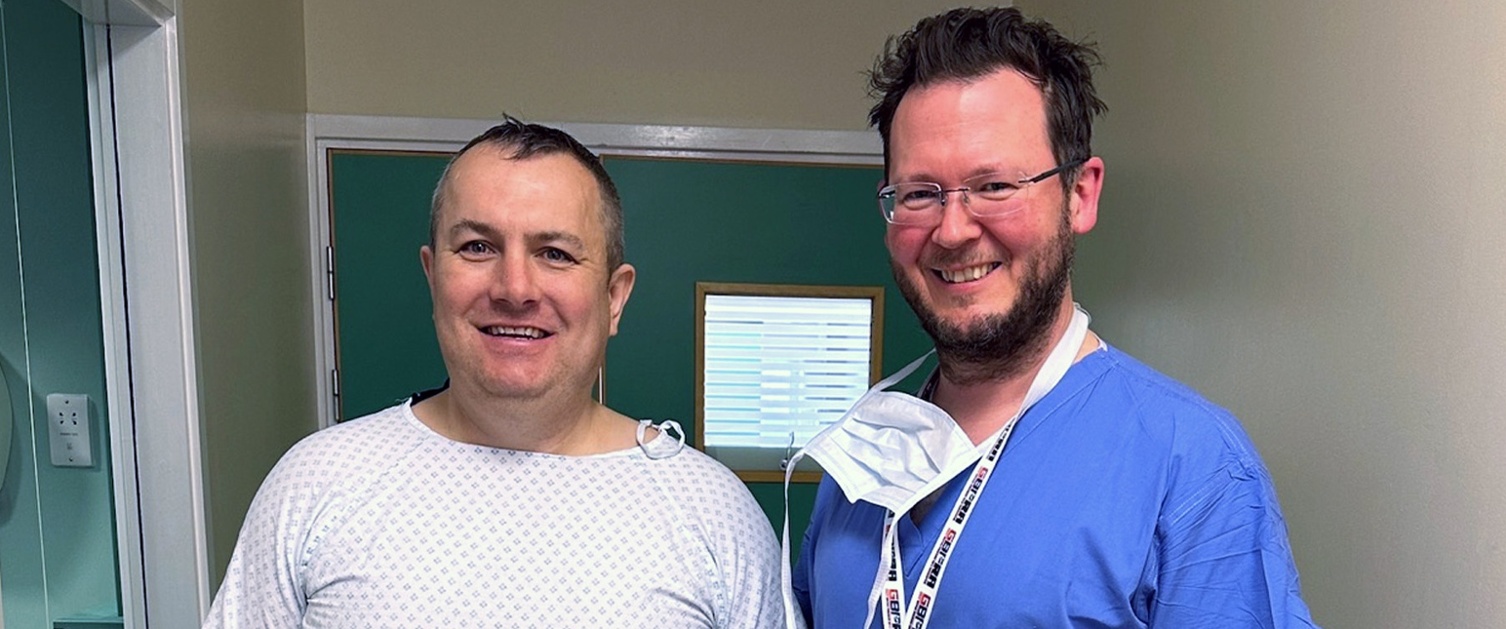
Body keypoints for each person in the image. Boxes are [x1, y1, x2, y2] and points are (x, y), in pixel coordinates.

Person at [790, 8, 1319, 628]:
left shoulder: (1191, 467)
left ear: (1080, 194)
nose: (953, 229)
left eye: (994, 186)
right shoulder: (865, 466)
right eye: (919, 193)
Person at [206, 118, 788, 628]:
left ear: (614, 298)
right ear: (433, 277)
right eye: (479, 246)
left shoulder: (714, 512)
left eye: (555, 253)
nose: (514, 288)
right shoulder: (315, 484)